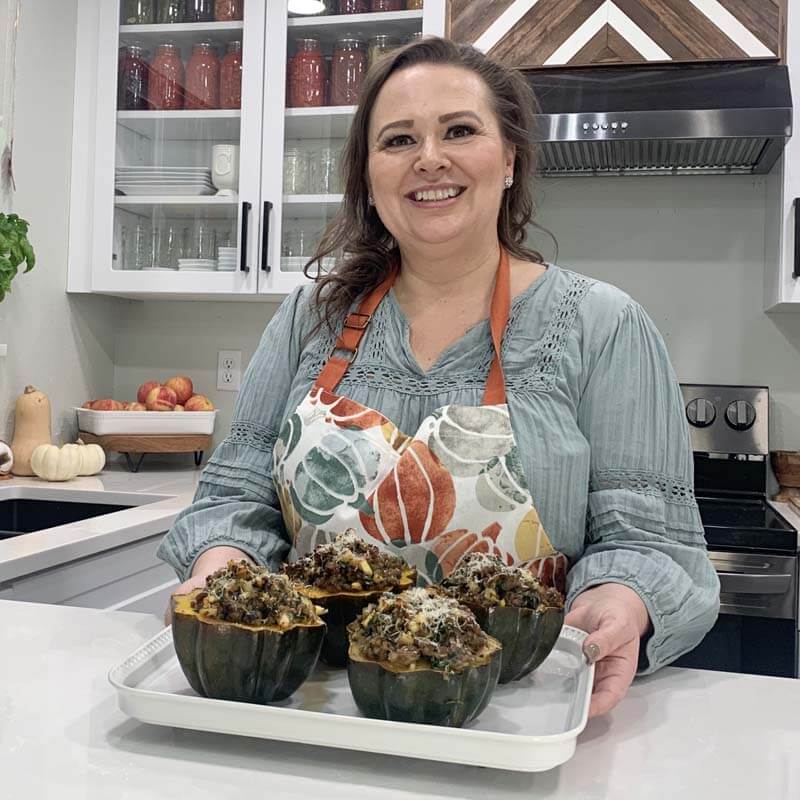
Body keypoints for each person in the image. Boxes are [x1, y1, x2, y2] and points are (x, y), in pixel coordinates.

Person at [159, 37, 719, 718]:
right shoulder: (311, 318)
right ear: (368, 174)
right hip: (312, 714)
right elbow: (233, 497)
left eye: (459, 130)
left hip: (517, 721)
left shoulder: (603, 326)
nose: (429, 158)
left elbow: (649, 539)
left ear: (510, 158)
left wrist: (625, 597)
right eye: (398, 140)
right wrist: (220, 562)